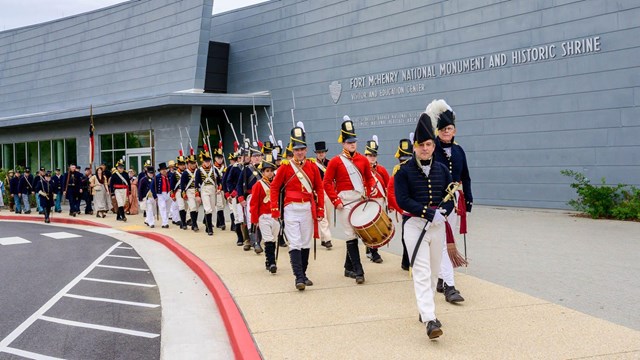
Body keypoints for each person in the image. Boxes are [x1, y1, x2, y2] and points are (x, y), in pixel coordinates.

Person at [394, 110, 455, 339]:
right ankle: (430, 319)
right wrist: (427, 212)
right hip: (415, 226)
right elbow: (402, 200)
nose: (425, 148)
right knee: (420, 271)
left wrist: (444, 213)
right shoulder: (404, 171)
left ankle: (424, 309)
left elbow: (451, 196)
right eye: (421, 145)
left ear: (433, 145)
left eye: (429, 144)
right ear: (415, 146)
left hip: (437, 227)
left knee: (432, 272)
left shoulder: (442, 169)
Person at [270, 122, 324, 290]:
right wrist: (274, 209)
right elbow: (274, 187)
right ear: (292, 150)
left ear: (306, 150)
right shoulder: (285, 167)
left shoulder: (313, 166)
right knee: (295, 242)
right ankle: (298, 277)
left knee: (306, 242)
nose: (300, 152)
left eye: (302, 149)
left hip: (307, 208)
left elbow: (319, 188)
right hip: (291, 208)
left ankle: (304, 273)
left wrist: (321, 208)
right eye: (297, 150)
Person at [323, 116, 376, 284]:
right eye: (348, 142)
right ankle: (359, 271)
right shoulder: (336, 162)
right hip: (344, 202)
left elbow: (369, 178)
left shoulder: (363, 160)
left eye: (354, 141)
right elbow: (327, 183)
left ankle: (348, 267)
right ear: (343, 143)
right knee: (350, 235)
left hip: (360, 200)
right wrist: (335, 200)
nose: (352, 144)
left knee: (359, 233)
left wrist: (371, 189)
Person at [429, 99, 472, 304]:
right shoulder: (431, 148)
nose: (447, 132)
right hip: (437, 200)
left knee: (449, 239)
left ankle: (440, 278)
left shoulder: (459, 150)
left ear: (454, 130)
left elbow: (466, 176)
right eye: (443, 129)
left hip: (455, 200)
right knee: (446, 244)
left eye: (450, 129)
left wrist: (469, 199)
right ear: (437, 131)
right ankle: (450, 287)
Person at [250, 152, 280, 273]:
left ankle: (268, 260)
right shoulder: (258, 185)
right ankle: (272, 263)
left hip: (275, 217)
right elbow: (254, 204)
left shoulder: (277, 185)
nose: (269, 173)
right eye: (267, 170)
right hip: (263, 216)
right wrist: (255, 220)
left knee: (273, 240)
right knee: (268, 239)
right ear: (262, 172)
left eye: (271, 170)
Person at [363, 135, 390, 264]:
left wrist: (389, 202)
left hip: (380, 201)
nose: (372, 157)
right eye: (370, 155)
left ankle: (371, 249)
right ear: (366, 156)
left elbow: (388, 186)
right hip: (368, 202)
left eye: (374, 155)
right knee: (370, 228)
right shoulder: (362, 170)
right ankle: (374, 252)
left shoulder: (382, 170)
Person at [388, 137, 414, 271]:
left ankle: (410, 261)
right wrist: (400, 208)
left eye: (407, 158)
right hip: (405, 209)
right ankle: (406, 261)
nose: (405, 162)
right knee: (406, 236)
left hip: (417, 207)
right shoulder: (397, 170)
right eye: (403, 159)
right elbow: (390, 191)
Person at [235, 142, 263, 252]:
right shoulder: (246, 170)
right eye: (255, 156)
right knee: (251, 220)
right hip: (250, 197)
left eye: (259, 156)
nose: (257, 158)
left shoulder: (265, 169)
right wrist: (241, 198)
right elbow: (239, 185)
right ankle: (254, 242)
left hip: (263, 197)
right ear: (250, 158)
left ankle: (258, 241)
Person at [314, 141, 333, 249]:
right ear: (316, 153)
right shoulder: (313, 164)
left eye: (322, 152)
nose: (321, 154)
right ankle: (328, 238)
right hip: (318, 192)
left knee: (328, 217)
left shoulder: (330, 163)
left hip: (329, 192)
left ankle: (323, 238)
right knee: (323, 216)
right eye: (319, 152)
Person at [196, 146, 219, 236]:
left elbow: (219, 180)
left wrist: (219, 187)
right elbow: (196, 182)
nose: (207, 162)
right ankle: (210, 228)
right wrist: (197, 194)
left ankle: (206, 224)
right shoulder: (199, 171)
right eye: (206, 161)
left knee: (212, 208)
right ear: (203, 161)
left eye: (209, 161)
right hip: (204, 189)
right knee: (208, 209)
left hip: (212, 189)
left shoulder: (214, 169)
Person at [226, 151, 246, 245]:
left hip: (246, 195)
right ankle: (240, 237)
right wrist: (231, 192)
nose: (242, 159)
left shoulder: (249, 168)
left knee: (247, 217)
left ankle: (249, 238)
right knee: (237, 217)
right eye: (240, 157)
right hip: (236, 194)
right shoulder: (234, 168)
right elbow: (228, 181)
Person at [181, 153, 201, 232]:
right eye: (191, 163)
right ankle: (194, 224)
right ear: (188, 163)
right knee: (192, 207)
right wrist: (183, 193)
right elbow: (182, 185)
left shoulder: (198, 171)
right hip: (189, 191)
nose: (193, 165)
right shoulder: (185, 173)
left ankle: (194, 223)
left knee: (196, 208)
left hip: (197, 191)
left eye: (194, 163)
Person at [171, 154, 189, 229]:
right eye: (181, 165)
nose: (182, 166)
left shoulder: (187, 173)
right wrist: (172, 195)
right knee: (181, 206)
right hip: (178, 191)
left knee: (186, 207)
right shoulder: (175, 174)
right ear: (178, 165)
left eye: (183, 164)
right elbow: (172, 185)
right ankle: (183, 223)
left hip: (186, 191)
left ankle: (184, 221)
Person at [222, 152, 238, 232]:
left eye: (235, 160)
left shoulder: (239, 168)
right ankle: (233, 224)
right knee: (232, 209)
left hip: (238, 191)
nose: (234, 161)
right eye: (232, 160)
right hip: (231, 191)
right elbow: (224, 181)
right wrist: (226, 192)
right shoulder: (228, 168)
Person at [212, 147, 227, 231]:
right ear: (215, 158)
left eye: (221, 158)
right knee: (219, 205)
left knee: (223, 205)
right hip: (216, 189)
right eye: (218, 158)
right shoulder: (212, 168)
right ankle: (222, 223)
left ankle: (218, 223)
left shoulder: (225, 167)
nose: (220, 160)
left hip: (223, 188)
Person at [155, 162, 172, 229]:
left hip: (168, 193)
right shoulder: (157, 177)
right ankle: (165, 223)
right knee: (162, 207)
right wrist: (155, 196)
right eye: (162, 169)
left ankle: (165, 220)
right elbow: (152, 187)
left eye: (165, 169)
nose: (164, 170)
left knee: (167, 209)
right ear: (160, 171)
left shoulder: (170, 176)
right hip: (160, 194)